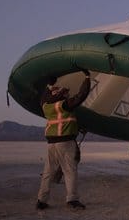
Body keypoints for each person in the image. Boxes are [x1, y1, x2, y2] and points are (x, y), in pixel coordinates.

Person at [36, 68, 92, 211]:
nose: (67, 95)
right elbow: (81, 96)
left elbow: (44, 97)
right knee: (70, 171)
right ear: (61, 95)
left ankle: (41, 200)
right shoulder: (64, 105)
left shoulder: (46, 106)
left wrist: (49, 85)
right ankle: (72, 199)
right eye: (65, 93)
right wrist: (86, 78)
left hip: (51, 144)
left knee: (48, 172)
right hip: (65, 143)